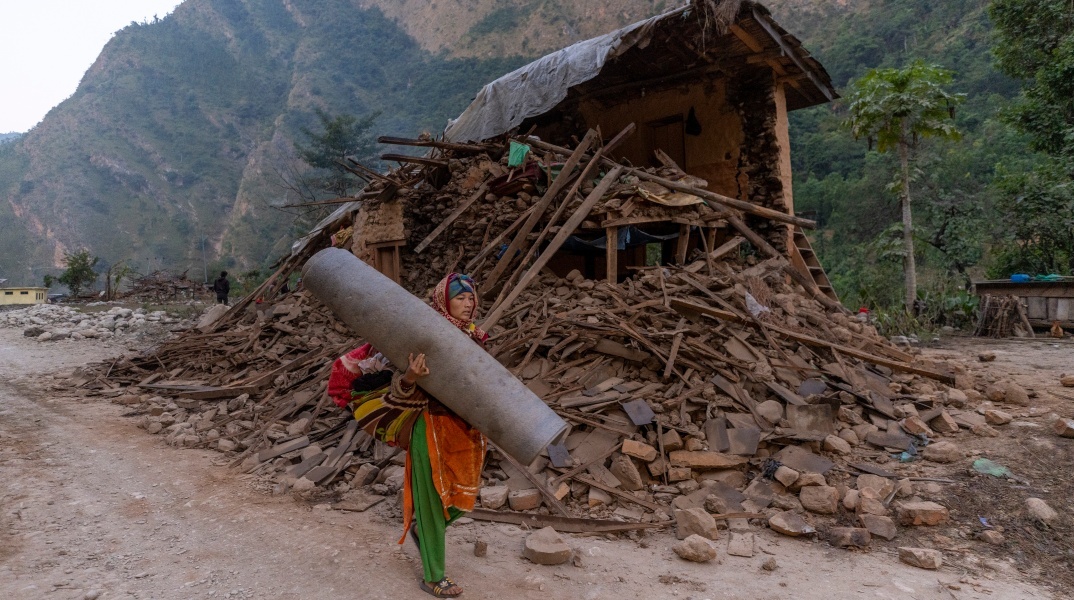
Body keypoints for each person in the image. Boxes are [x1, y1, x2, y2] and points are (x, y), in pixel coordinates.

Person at [327, 273, 487, 598]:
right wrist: (411, 376)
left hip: (466, 429)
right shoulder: (421, 336)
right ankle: (434, 576)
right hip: (430, 427)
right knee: (432, 502)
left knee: (464, 498)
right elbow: (396, 385)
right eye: (460, 297)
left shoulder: (477, 337)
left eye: (471, 297)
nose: (468, 304)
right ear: (444, 300)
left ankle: (422, 529)